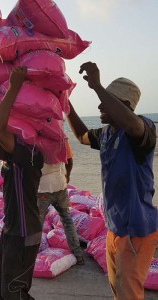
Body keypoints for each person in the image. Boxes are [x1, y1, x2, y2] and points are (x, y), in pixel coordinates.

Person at [66, 61, 158, 300]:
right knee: (117, 289)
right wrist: (65, 104)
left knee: (128, 294)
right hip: (115, 228)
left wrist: (96, 85)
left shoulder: (143, 130)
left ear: (124, 105)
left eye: (107, 100)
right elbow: (82, 135)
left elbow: (133, 124)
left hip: (136, 230)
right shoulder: (107, 133)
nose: (99, 104)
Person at [0, 66, 43, 299]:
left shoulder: (27, 155)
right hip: (12, 230)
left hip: (24, 232)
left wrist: (14, 86)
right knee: (3, 289)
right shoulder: (10, 159)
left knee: (14, 291)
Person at [37, 139, 84, 265]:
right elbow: (69, 160)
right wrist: (67, 175)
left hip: (43, 188)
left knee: (37, 222)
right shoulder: (61, 138)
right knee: (67, 220)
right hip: (60, 183)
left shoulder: (35, 138)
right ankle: (78, 254)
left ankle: (32, 254)